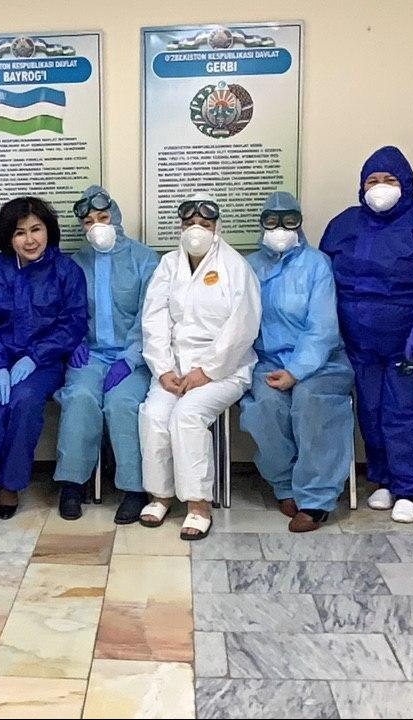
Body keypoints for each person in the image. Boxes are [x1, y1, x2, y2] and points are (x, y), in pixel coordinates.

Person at [320, 148, 413, 523]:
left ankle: (409, 488)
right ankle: (384, 479)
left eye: (389, 180)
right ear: (361, 186)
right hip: (358, 341)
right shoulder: (343, 226)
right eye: (372, 181)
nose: (380, 188)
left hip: (412, 340)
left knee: (402, 412)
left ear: (407, 184)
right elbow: (322, 282)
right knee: (371, 410)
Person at [0, 197, 87, 532]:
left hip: (40, 363)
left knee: (24, 403)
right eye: (20, 232)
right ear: (8, 238)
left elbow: (72, 323)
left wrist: (36, 356)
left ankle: (9, 485)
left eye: (36, 229)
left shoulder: (67, 272)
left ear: (48, 231)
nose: (30, 239)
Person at [139, 193, 260, 540]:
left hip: (224, 370)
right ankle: (160, 496)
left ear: (217, 228)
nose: (196, 230)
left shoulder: (235, 267)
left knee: (187, 416)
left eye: (205, 224)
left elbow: (242, 327)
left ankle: (198, 505)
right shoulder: (168, 265)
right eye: (189, 223)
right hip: (174, 369)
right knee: (153, 415)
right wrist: (164, 369)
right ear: (180, 227)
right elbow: (154, 319)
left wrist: (206, 371)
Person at [240, 191, 355, 532]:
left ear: (299, 223)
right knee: (264, 408)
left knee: (310, 402)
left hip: (322, 362)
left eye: (288, 221)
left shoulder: (317, 265)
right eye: (272, 221)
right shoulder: (249, 267)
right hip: (267, 361)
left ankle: (316, 498)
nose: (280, 229)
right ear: (261, 224)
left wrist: (296, 371)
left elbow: (322, 327)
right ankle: (286, 485)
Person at [53, 185, 159, 523]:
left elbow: (151, 317)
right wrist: (73, 342)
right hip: (90, 355)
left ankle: (134, 489)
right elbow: (64, 312)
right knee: (79, 398)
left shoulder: (145, 260)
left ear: (116, 216)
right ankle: (72, 484)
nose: (97, 226)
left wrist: (131, 358)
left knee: (122, 403)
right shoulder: (75, 264)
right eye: (89, 222)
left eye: (103, 217)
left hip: (133, 358)